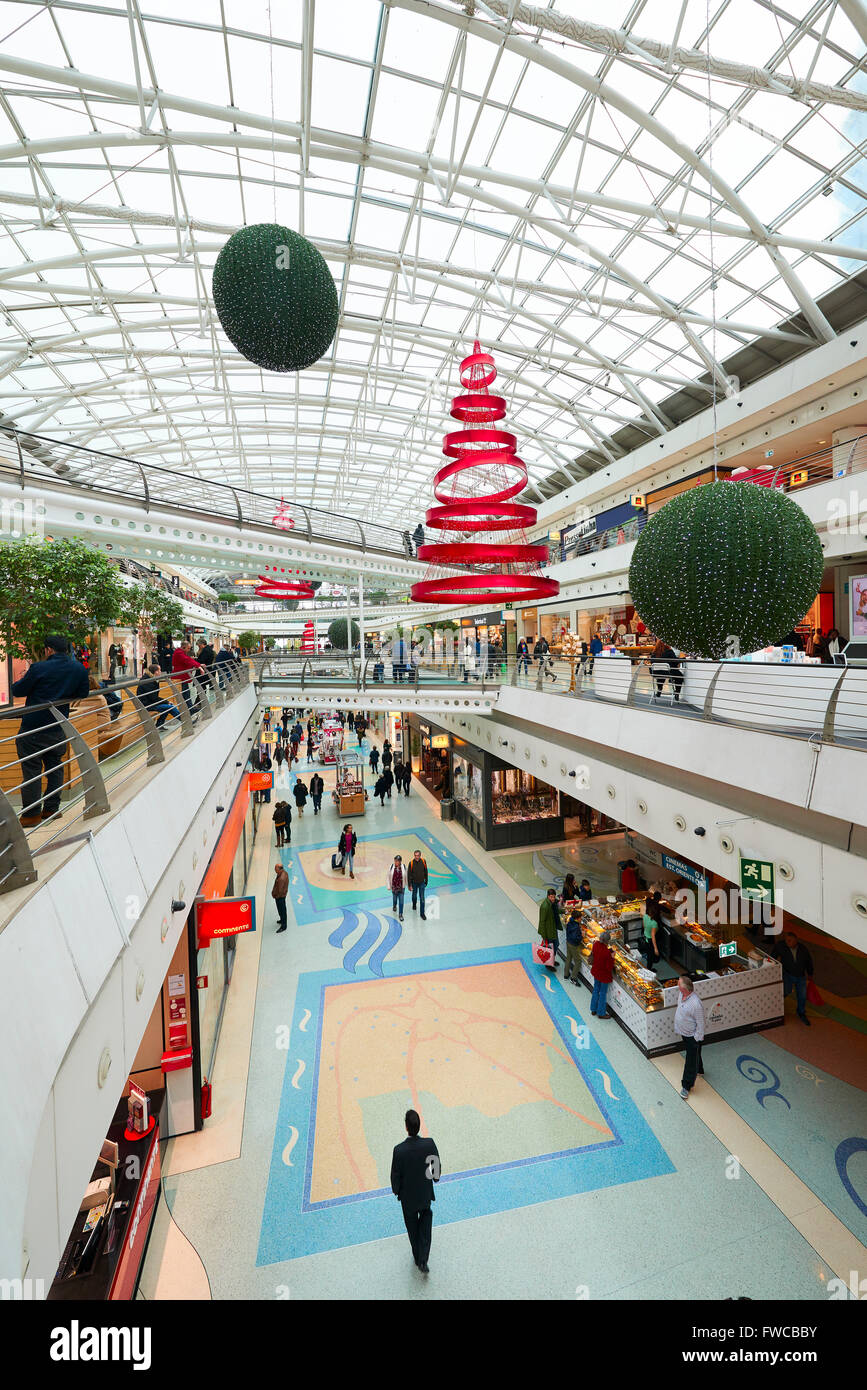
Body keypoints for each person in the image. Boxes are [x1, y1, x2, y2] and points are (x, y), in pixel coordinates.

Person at [12, 635, 90, 827]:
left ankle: (31, 815)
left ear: (48, 650)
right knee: (55, 768)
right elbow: (83, 693)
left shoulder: (39, 668)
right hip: (58, 727)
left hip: (33, 728)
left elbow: (18, 691)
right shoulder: (78, 668)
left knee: (32, 771)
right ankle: (51, 809)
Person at [391, 1108, 440, 1274]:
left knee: (412, 1227)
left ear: (406, 1127)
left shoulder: (399, 1151)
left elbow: (395, 1175)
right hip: (425, 1194)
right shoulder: (429, 1144)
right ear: (419, 1126)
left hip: (408, 1199)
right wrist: (434, 1178)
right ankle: (423, 1259)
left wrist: (397, 1191)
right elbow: (436, 1168)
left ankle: (417, 1256)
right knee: (426, 1221)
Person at [771, 931, 814, 1026]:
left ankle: (801, 1012)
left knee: (802, 996)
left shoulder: (803, 949)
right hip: (787, 974)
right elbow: (773, 957)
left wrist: (810, 974)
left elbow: (808, 961)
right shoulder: (781, 946)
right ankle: (775, 1006)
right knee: (786, 991)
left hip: (801, 976)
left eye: (790, 940)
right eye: (786, 940)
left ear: (796, 941)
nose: (788, 942)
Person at [674, 975, 705, 1098]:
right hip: (684, 1033)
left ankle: (686, 1086)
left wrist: (696, 1039)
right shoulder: (681, 995)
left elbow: (701, 1023)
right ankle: (700, 1070)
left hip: (692, 1036)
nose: (677, 986)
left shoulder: (696, 1004)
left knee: (690, 1061)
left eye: (678, 984)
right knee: (695, 1053)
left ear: (684, 989)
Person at [135, 663, 180, 730]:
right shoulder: (148, 681)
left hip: (150, 703)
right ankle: (186, 720)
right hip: (147, 705)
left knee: (167, 707)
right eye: (159, 670)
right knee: (170, 707)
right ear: (155, 672)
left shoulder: (151, 678)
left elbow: (154, 697)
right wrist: (166, 702)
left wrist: (166, 702)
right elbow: (153, 698)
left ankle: (159, 724)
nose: (161, 672)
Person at [171, 640, 203, 716]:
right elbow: (187, 660)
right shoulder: (179, 653)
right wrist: (198, 666)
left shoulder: (181, 652)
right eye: (188, 648)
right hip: (179, 677)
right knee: (185, 693)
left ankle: (190, 708)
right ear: (183, 647)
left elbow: (187, 660)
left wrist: (199, 664)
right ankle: (189, 709)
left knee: (186, 693)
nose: (189, 650)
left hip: (181, 677)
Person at [590, 930, 614, 1017]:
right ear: (607, 941)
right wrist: (612, 958)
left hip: (596, 971)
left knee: (596, 990)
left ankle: (593, 1009)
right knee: (603, 993)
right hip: (603, 975)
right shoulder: (607, 953)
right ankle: (601, 1013)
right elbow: (609, 968)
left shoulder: (595, 944)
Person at [537, 887, 561, 970]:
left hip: (552, 929)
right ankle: (549, 964)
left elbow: (556, 911)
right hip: (547, 932)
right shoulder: (545, 907)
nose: (553, 898)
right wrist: (544, 936)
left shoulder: (552, 904)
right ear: (548, 896)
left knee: (556, 945)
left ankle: (552, 961)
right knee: (550, 948)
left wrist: (565, 911)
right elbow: (542, 921)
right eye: (551, 897)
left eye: (554, 896)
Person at [642, 891, 664, 972]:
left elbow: (644, 926)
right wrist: (656, 949)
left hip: (646, 937)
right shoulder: (654, 923)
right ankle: (649, 969)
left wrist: (647, 931)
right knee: (652, 956)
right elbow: (653, 936)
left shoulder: (645, 916)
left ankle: (649, 967)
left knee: (649, 953)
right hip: (651, 939)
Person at [562, 907, 583, 984]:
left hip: (568, 941)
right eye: (580, 918)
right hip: (573, 945)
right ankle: (573, 978)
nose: (581, 919)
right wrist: (581, 936)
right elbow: (575, 938)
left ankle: (566, 975)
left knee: (569, 957)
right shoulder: (576, 927)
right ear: (577, 918)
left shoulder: (570, 922)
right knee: (578, 961)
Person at [408, 848, 428, 919]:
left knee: (422, 898)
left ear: (420, 855)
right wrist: (409, 885)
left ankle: (422, 914)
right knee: (414, 896)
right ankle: (414, 904)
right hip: (414, 883)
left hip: (422, 883)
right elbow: (409, 875)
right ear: (414, 855)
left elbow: (426, 871)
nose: (417, 857)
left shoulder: (423, 861)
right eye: (415, 855)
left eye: (418, 855)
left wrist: (426, 881)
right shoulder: (411, 863)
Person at [272, 861, 289, 933]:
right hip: (281, 896)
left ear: (279, 869)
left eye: (275, 869)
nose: (274, 870)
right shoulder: (283, 873)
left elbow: (280, 890)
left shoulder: (281, 878)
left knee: (282, 910)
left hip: (280, 897)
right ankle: (282, 920)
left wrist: (275, 896)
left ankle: (284, 926)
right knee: (281, 910)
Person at [388, 854, 406, 920]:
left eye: (398, 861)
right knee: (395, 899)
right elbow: (388, 876)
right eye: (395, 861)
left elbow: (406, 876)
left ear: (400, 861)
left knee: (401, 901)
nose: (396, 862)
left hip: (401, 888)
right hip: (394, 887)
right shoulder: (391, 866)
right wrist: (389, 885)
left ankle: (400, 914)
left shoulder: (403, 867)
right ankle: (394, 905)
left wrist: (409, 885)